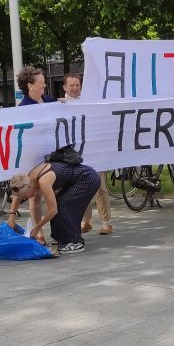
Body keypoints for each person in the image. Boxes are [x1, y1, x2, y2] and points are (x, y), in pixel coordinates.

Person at [6, 159, 102, 255]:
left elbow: (53, 210)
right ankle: (62, 238)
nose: (25, 198)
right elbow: (17, 196)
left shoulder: (43, 181)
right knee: (59, 202)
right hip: (77, 180)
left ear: (30, 187)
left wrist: (37, 227)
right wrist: (12, 215)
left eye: (24, 196)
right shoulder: (27, 179)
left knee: (63, 206)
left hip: (89, 179)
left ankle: (75, 242)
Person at [62, 74, 114, 235]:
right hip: (74, 154)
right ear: (65, 87)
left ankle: (106, 222)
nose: (75, 88)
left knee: (100, 186)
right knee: (81, 187)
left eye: (77, 85)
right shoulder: (59, 106)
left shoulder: (89, 103)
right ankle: (87, 221)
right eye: (71, 85)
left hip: (94, 150)